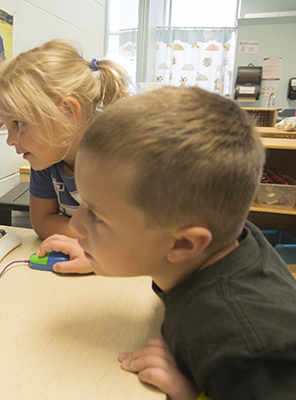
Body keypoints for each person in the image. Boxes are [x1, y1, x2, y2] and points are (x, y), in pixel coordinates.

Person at [51, 86, 296, 399]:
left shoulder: (241, 350)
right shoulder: (228, 241)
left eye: (97, 216)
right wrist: (97, 254)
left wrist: (189, 394)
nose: (75, 224)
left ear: (183, 245)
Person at [0, 39, 132, 273]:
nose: (10, 140)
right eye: (7, 125)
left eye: (18, 123)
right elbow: (42, 221)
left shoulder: (121, 153)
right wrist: (101, 238)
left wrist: (102, 253)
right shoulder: (46, 157)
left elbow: (149, 238)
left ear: (67, 112)